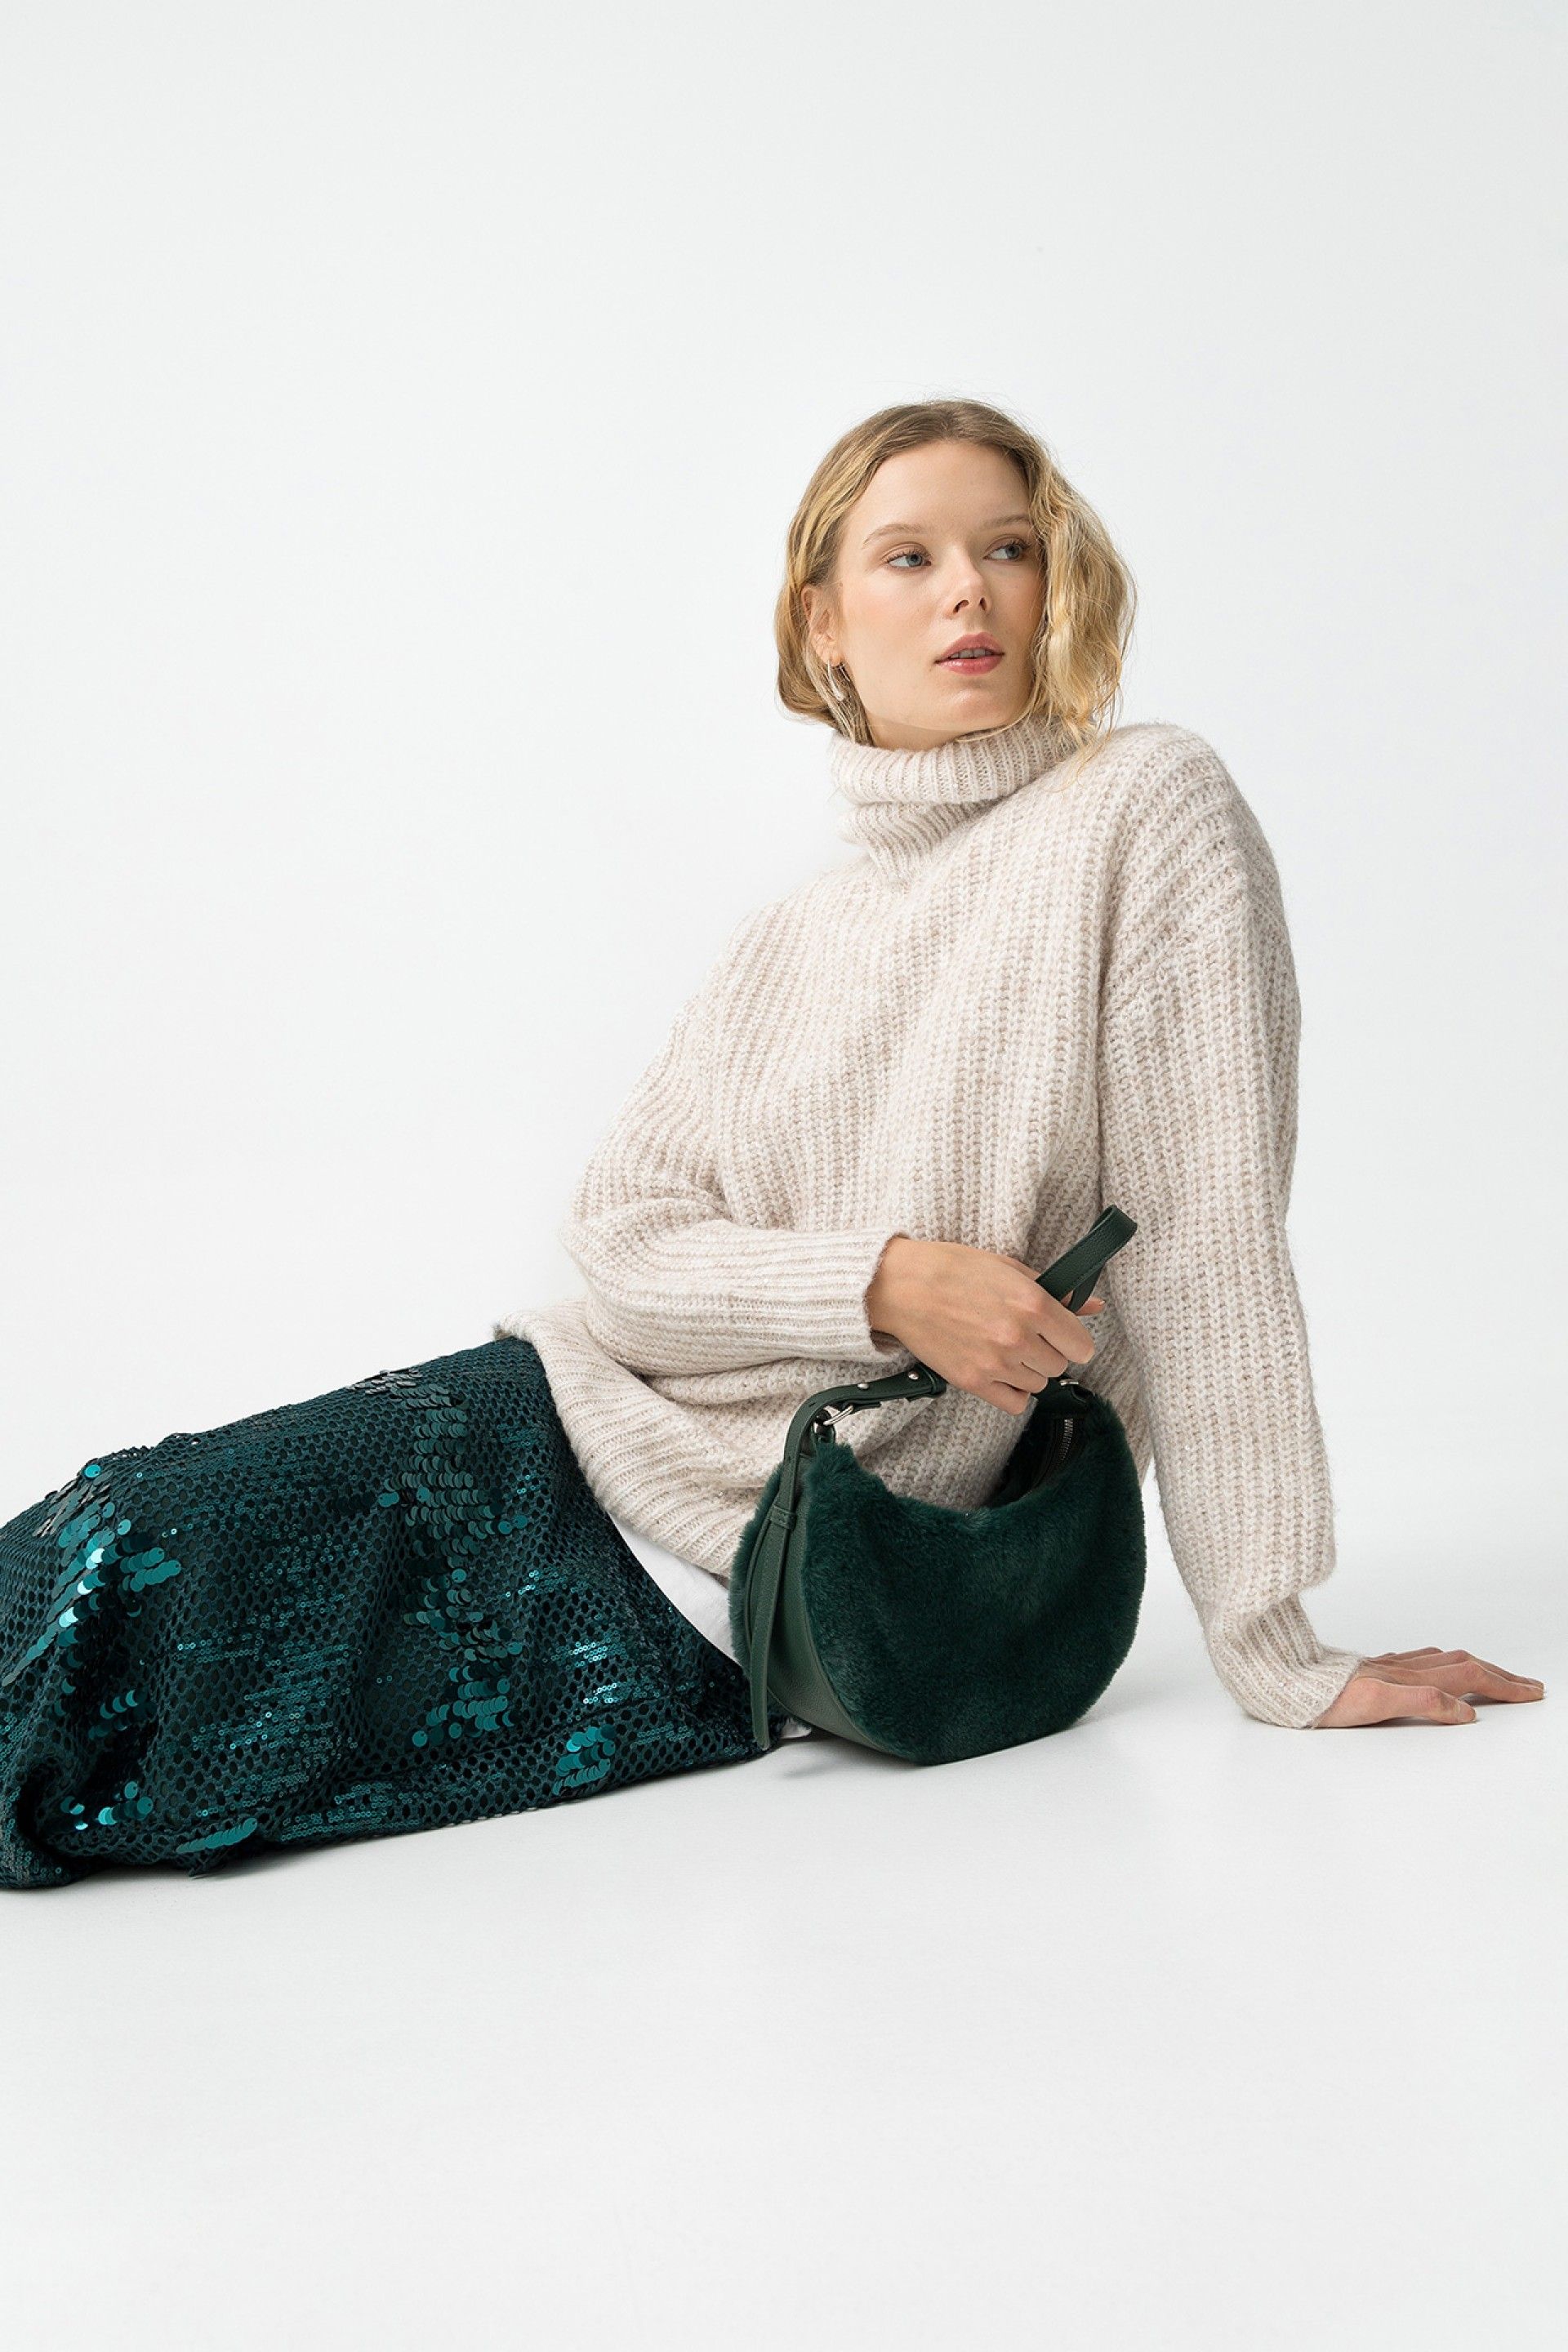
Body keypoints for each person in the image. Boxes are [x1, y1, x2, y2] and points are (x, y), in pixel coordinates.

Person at [0, 400, 1541, 1890]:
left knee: (127, 1642)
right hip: (574, 1418)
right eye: (909, 557)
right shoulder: (793, 935)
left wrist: (1274, 1644)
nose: (969, 592)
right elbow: (625, 1242)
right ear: (823, 622)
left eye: (1008, 548)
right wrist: (880, 1284)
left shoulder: (1143, 806)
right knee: (113, 1522)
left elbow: (1205, 1239)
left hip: (753, 1572)